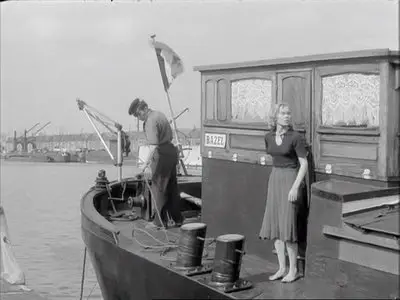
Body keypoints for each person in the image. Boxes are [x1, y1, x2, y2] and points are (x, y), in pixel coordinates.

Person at [259, 103, 308, 283]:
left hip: (290, 179)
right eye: (283, 113)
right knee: (276, 226)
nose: (287, 116)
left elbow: (304, 164)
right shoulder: (268, 137)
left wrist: (295, 187)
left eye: (289, 113)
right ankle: (281, 268)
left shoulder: (296, 137)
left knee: (287, 227)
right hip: (275, 179)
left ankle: (293, 270)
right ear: (275, 116)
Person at [128, 98, 183, 229]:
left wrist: (144, 165)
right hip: (171, 152)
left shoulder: (150, 121)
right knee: (172, 187)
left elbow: (153, 145)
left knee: (158, 188)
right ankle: (177, 219)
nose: (139, 118)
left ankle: (159, 222)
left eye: (138, 114)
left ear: (144, 109)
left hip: (162, 155)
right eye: (136, 116)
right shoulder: (159, 114)